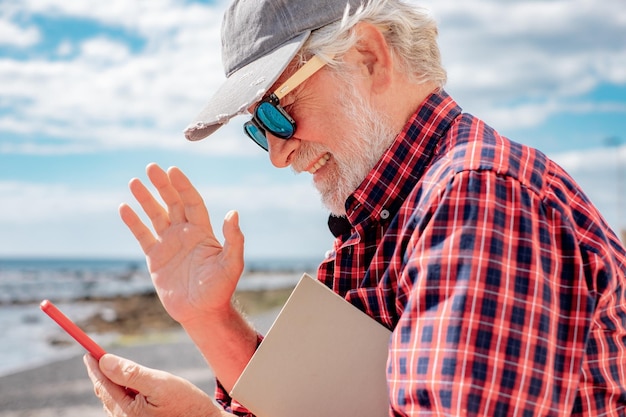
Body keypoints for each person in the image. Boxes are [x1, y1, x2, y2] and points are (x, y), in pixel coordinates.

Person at [84, 0, 626, 416]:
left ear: (368, 55)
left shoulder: (476, 200)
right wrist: (209, 318)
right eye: (257, 127)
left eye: (277, 109)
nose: (277, 153)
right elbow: (318, 408)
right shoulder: (388, 215)